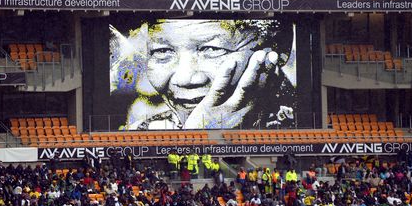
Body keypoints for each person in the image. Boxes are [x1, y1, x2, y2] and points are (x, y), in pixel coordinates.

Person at [113, 19, 296, 131]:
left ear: (279, 50)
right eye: (162, 51)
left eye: (212, 49)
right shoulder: (142, 130)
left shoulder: (298, 123)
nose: (184, 79)